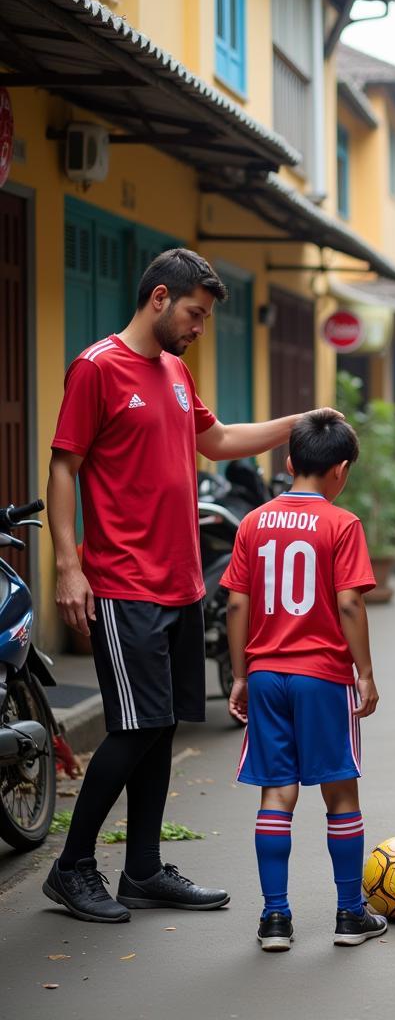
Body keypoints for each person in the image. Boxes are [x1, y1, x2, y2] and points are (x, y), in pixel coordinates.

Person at [43, 248, 323, 924]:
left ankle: (142, 868)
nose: (201, 328)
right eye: (196, 314)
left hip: (178, 580)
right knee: (136, 727)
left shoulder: (172, 371)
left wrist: (299, 423)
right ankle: (72, 865)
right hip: (122, 579)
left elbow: (219, 439)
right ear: (160, 298)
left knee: (163, 728)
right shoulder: (97, 367)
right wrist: (67, 564)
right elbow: (63, 466)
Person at [221, 410, 383, 952]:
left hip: (266, 675)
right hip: (323, 676)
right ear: (340, 470)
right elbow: (350, 603)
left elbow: (237, 602)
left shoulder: (253, 522)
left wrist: (241, 674)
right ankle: (348, 914)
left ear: (289, 463)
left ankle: (274, 919)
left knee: (277, 792)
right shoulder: (342, 525)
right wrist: (364, 672)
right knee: (340, 792)